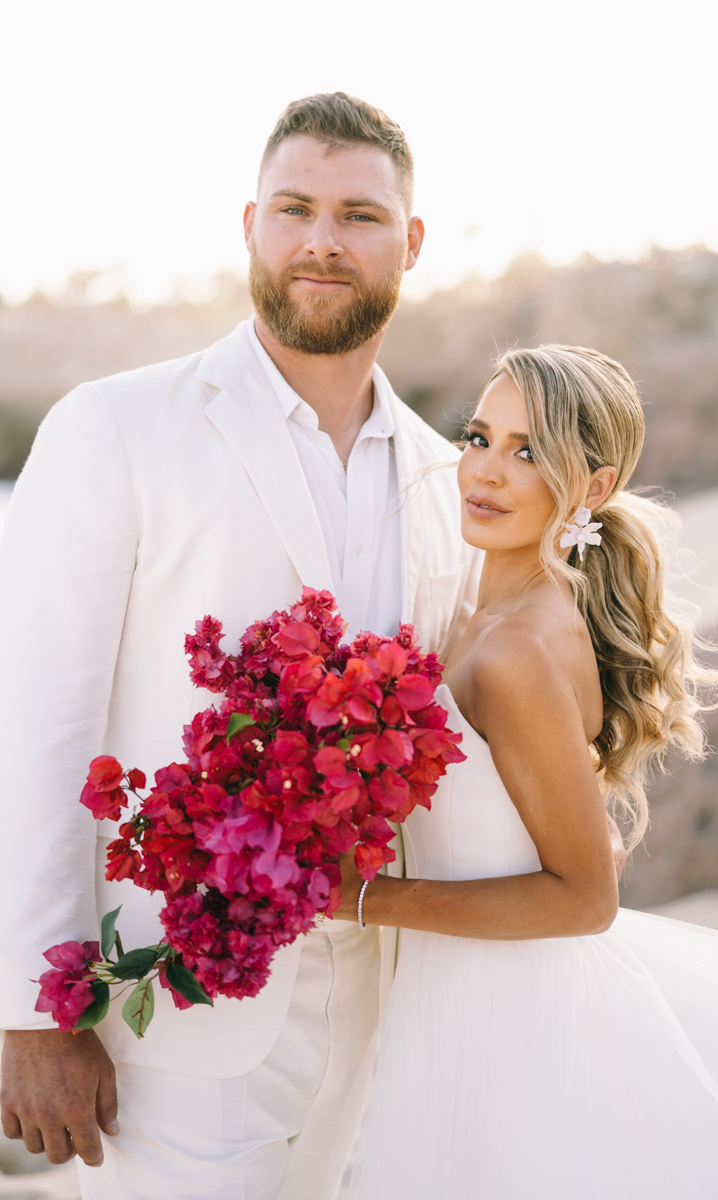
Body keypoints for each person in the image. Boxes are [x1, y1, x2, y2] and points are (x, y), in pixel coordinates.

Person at [0, 92, 489, 1200]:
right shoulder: (113, 426)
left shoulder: (437, 476)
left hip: (375, 1007)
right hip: (167, 1012)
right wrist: (33, 1006)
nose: (323, 239)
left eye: (360, 215)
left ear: (409, 244)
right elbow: (35, 723)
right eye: (295, 208)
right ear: (249, 226)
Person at [332, 345, 718, 1199]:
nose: (486, 471)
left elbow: (586, 898)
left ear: (590, 485)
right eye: (480, 437)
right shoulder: (481, 611)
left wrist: (359, 899)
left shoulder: (515, 646)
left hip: (520, 1011)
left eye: (528, 451)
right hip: (465, 986)